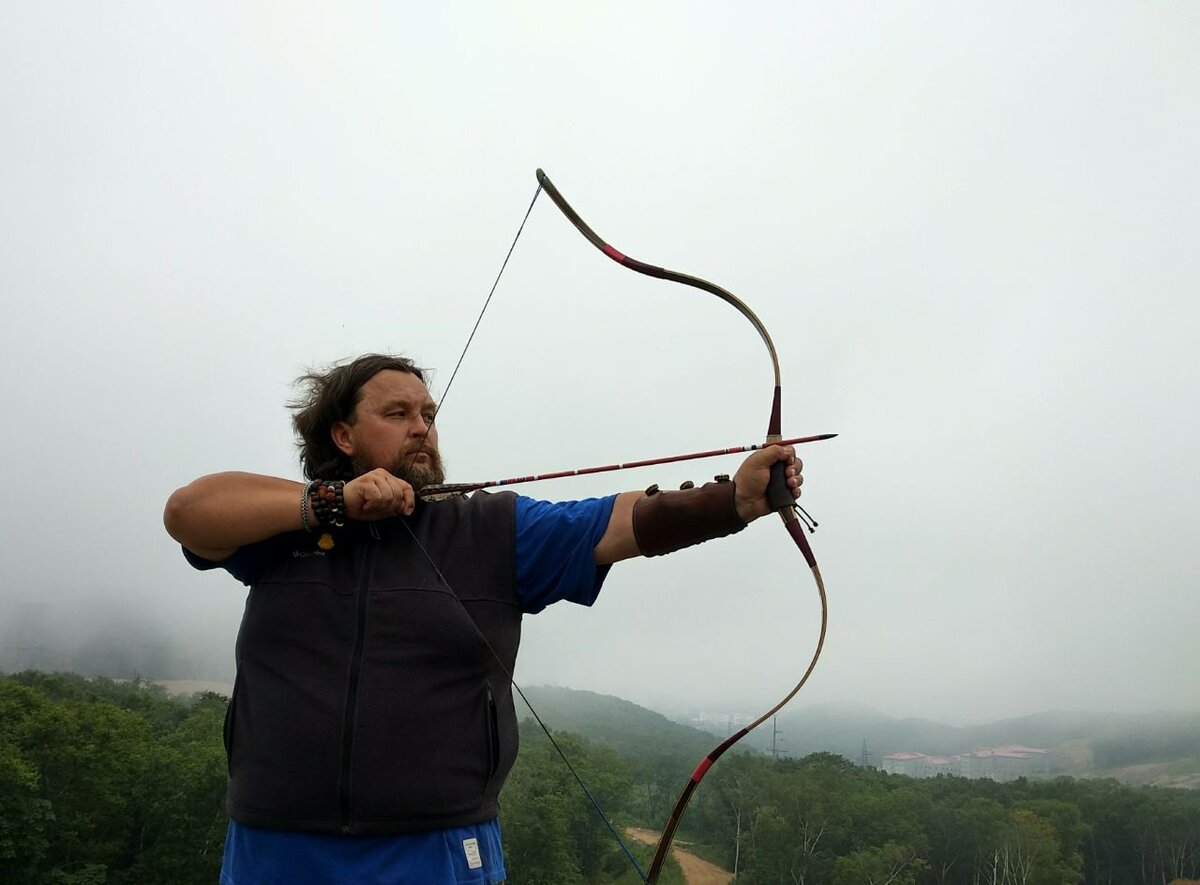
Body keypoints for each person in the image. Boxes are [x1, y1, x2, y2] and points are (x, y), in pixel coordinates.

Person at [164, 353, 803, 885]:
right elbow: (188, 512)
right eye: (397, 414)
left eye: (428, 415)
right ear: (342, 436)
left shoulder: (488, 531)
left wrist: (736, 500)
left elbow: (615, 520)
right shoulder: (282, 527)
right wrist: (332, 503)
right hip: (275, 845)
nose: (422, 428)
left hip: (436, 848)